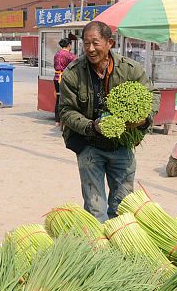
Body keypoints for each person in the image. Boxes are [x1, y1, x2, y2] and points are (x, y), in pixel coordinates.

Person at [58, 21, 158, 221]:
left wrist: (143, 119)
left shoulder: (130, 69)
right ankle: (98, 248)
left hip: (121, 146)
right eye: (86, 43)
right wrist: (92, 126)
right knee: (95, 209)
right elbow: (66, 111)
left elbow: (152, 95)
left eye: (95, 43)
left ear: (109, 43)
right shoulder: (73, 72)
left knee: (122, 206)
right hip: (89, 145)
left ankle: (119, 245)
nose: (90, 49)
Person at [52, 38, 77, 123]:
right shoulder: (69, 55)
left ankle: (57, 120)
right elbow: (77, 64)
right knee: (66, 99)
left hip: (56, 78)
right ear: (69, 45)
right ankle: (65, 119)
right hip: (64, 78)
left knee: (58, 98)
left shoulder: (57, 54)